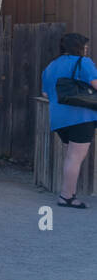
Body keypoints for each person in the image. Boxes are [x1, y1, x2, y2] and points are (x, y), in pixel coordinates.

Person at [41, 32, 97, 209]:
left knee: (71, 156)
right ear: (77, 47)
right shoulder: (83, 62)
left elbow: (45, 93)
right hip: (81, 116)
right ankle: (66, 197)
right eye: (85, 46)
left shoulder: (51, 65)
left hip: (59, 119)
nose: (87, 49)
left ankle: (68, 194)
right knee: (75, 157)